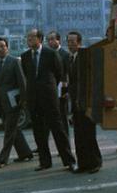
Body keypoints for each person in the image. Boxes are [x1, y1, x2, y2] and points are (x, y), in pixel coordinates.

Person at [20, 28, 77, 171]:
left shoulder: (50, 54)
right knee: (38, 132)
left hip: (50, 98)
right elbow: (28, 76)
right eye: (28, 38)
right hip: (34, 99)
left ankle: (68, 160)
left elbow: (58, 74)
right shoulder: (25, 56)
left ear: (40, 39)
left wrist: (48, 87)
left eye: (32, 37)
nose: (29, 40)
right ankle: (45, 162)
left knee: (58, 129)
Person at [0, 37, 34, 168]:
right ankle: (25, 153)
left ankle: (3, 159)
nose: (1, 49)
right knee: (13, 129)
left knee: (9, 132)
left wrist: (23, 100)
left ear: (7, 48)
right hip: (1, 102)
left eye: (3, 46)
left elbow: (22, 82)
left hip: (14, 102)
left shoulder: (14, 62)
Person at [66, 31, 102, 173]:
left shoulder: (85, 57)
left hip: (86, 102)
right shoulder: (71, 58)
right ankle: (83, 164)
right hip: (76, 103)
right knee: (79, 135)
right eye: (68, 41)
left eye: (73, 41)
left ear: (79, 42)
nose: (70, 44)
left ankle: (95, 162)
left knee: (89, 135)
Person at [47, 30, 71, 135]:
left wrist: (66, 89)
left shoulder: (65, 55)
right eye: (48, 40)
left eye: (52, 39)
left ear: (58, 40)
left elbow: (67, 73)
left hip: (61, 90)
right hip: (50, 90)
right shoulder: (48, 54)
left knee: (62, 117)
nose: (50, 42)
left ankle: (66, 145)